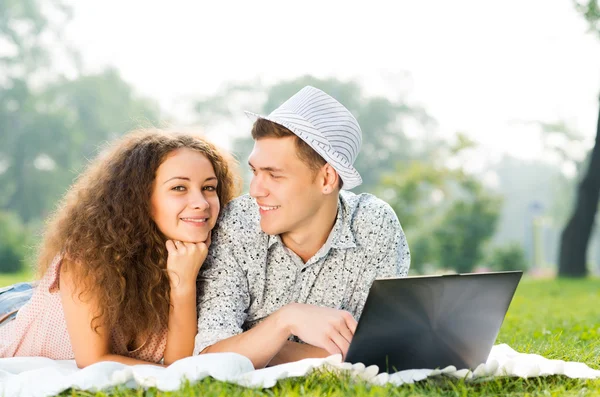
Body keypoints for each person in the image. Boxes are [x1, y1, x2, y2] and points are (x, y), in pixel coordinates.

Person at [194, 86, 411, 368]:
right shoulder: (237, 222)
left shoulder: (375, 224)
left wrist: (255, 344)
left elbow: (381, 354)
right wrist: (288, 319)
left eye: (274, 175)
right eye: (255, 171)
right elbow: (209, 357)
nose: (256, 190)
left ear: (326, 179)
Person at [0, 129, 240, 367]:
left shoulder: (205, 257)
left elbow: (178, 363)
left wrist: (183, 283)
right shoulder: (90, 258)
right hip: (10, 316)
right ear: (140, 197)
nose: (200, 203)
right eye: (179, 188)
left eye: (209, 188)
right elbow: (94, 360)